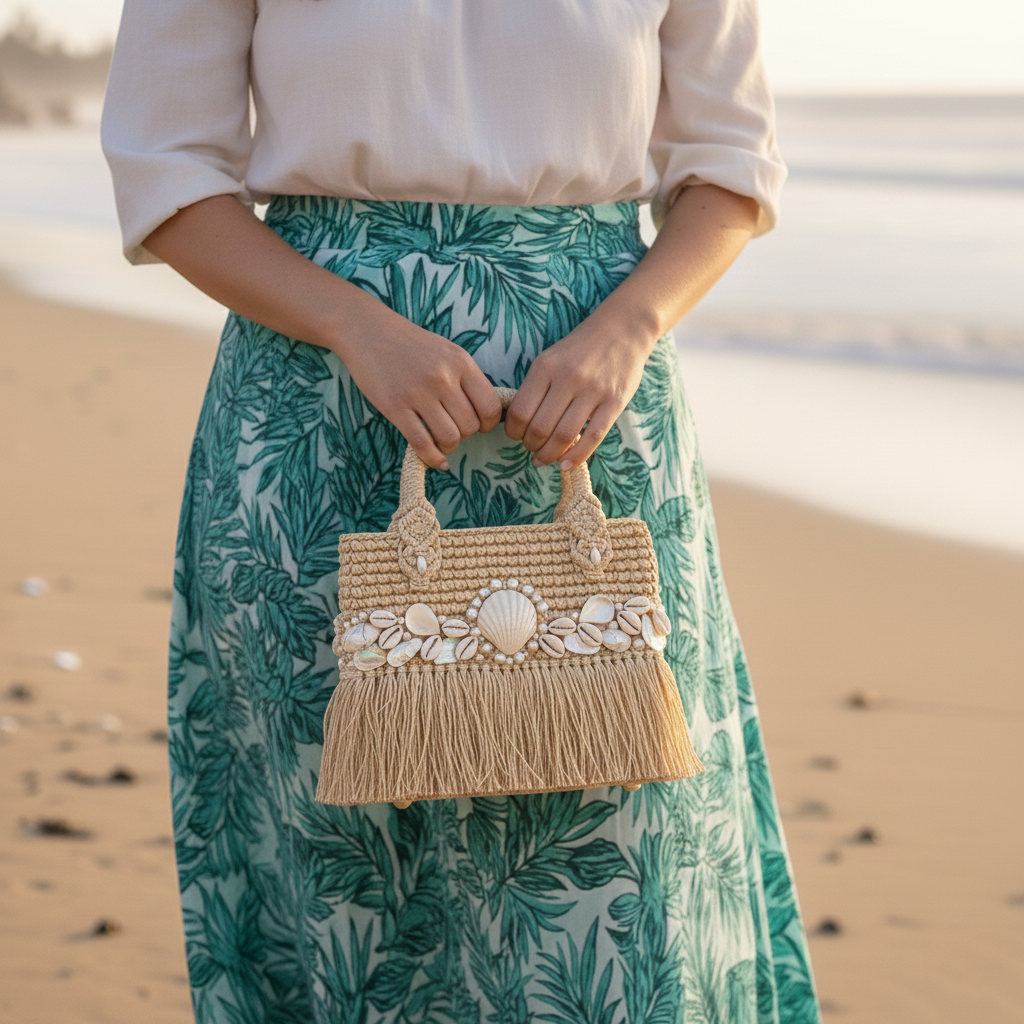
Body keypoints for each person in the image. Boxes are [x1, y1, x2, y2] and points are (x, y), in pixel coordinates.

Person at [102, 1, 820, 1021]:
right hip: (315, 420)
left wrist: (629, 327)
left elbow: (731, 166)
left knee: (626, 877)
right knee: (351, 883)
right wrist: (354, 326)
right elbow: (168, 176)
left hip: (591, 419)